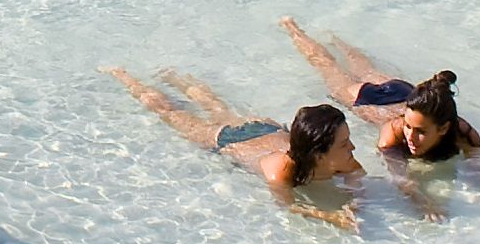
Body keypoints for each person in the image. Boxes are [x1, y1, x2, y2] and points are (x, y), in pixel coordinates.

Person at [104, 66, 363, 196]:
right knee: (169, 112)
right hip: (232, 139)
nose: (352, 148)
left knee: (215, 105)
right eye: (344, 144)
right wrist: (331, 216)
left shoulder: (339, 159)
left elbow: (357, 181)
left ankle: (171, 74)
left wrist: (356, 204)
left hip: (268, 128)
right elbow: (291, 209)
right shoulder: (281, 173)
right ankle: (123, 76)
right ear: (319, 155)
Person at [282, 19, 480, 162]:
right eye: (408, 126)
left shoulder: (463, 132)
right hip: (365, 98)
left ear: (443, 128)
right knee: (327, 66)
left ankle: (334, 37)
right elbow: (400, 179)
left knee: (366, 69)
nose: (410, 137)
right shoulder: (393, 133)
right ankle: (292, 28)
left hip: (408, 94)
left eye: (421, 131)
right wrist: (420, 200)